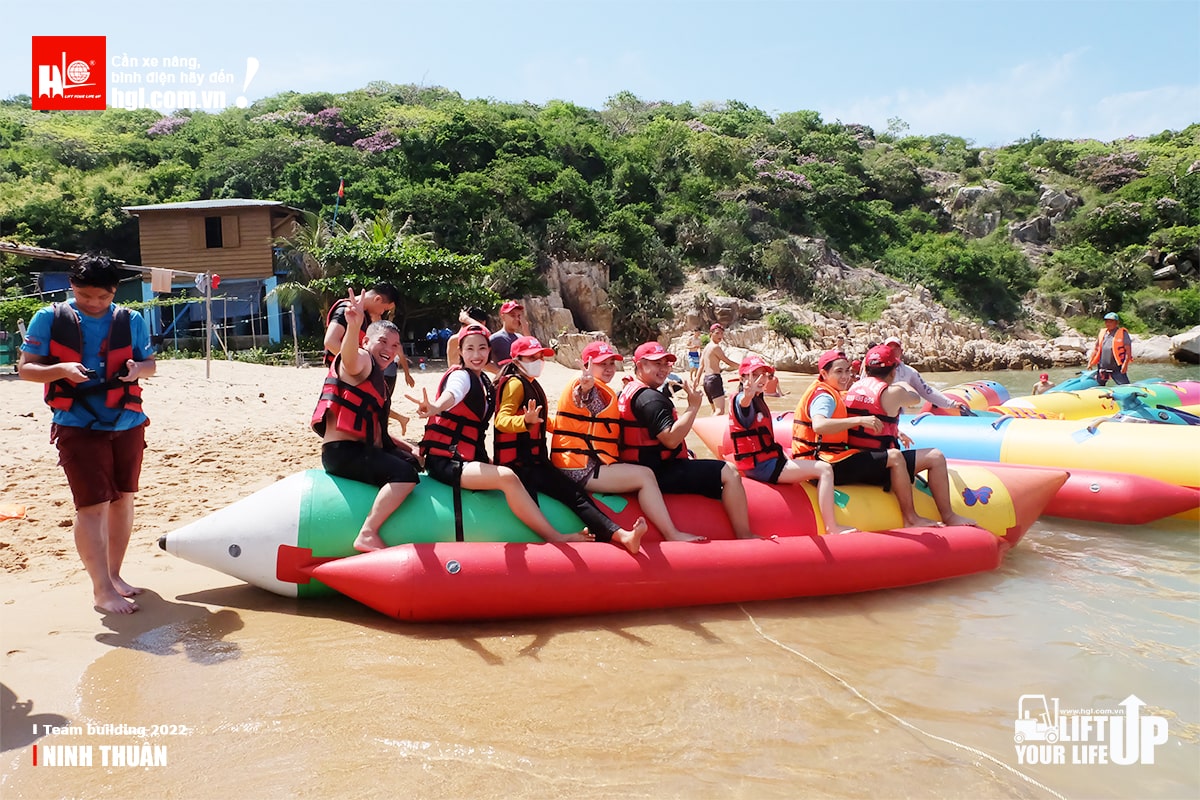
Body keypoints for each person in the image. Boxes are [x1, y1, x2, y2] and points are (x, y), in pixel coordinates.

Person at [18, 253, 156, 614]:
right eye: (84, 295)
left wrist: (136, 369)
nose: (94, 303)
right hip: (76, 423)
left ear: (115, 291)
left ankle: (115, 576)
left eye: (103, 297)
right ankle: (101, 590)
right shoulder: (49, 318)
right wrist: (61, 369)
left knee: (123, 498)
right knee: (92, 505)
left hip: (127, 421)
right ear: (72, 287)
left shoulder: (131, 319)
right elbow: (26, 369)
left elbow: (150, 365)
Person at [409, 324, 592, 544]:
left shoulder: (484, 381)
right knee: (507, 477)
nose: (476, 355)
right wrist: (436, 407)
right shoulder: (461, 377)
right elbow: (453, 394)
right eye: (470, 349)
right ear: (461, 352)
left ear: (489, 350)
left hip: (466, 457)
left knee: (505, 469)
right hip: (446, 461)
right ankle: (554, 536)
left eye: (482, 348)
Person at [493, 336, 648, 554]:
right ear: (517, 360)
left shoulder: (530, 383)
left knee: (575, 495)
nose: (538, 361)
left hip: (536, 461)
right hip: (520, 464)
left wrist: (566, 428)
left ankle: (619, 535)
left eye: (540, 357)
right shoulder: (515, 384)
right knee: (575, 497)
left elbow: (541, 422)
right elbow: (501, 420)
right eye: (531, 357)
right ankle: (616, 536)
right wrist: (524, 422)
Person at [550, 340, 704, 542]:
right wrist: (585, 387)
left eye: (611, 363)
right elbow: (582, 397)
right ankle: (672, 534)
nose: (608, 368)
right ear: (587, 365)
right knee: (645, 476)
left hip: (584, 461)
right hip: (580, 468)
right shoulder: (588, 388)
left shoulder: (603, 390)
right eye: (602, 364)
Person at [311, 290, 420, 553]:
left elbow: (377, 433)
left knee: (412, 461)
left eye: (394, 346)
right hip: (343, 453)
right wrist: (354, 325)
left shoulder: (377, 377)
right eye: (382, 342)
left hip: (360, 450)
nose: (388, 350)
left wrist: (411, 448)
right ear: (367, 341)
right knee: (405, 475)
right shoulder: (361, 360)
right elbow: (349, 358)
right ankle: (368, 533)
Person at [618, 341, 757, 539]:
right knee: (730, 472)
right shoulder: (650, 399)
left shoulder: (628, 391)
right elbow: (671, 440)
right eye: (657, 363)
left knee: (694, 456)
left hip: (636, 466)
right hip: (658, 472)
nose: (663, 369)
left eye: (666, 364)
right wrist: (693, 407)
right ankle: (745, 535)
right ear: (640, 365)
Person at [838, 345, 976, 528]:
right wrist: (902, 382)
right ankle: (943, 516)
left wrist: (896, 431)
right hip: (881, 467)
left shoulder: (853, 388)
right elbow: (915, 398)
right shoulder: (893, 392)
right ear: (893, 371)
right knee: (936, 457)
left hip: (857, 461)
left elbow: (872, 420)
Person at [730, 355, 855, 535]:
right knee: (824, 469)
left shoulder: (758, 398)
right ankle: (832, 527)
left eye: (763, 374)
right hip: (761, 467)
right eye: (754, 374)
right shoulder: (743, 400)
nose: (761, 379)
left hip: (763, 461)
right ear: (743, 378)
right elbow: (743, 405)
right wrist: (747, 397)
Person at [323, 282, 414, 393]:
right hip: (346, 375)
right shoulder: (347, 310)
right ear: (377, 299)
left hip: (356, 374)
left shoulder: (365, 316)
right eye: (384, 309)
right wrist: (358, 363)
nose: (382, 313)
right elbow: (330, 342)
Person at [881, 336, 971, 415]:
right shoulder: (876, 370)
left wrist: (952, 404)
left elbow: (927, 391)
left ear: (901, 351)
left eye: (896, 348)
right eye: (889, 348)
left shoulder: (910, 372)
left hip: (897, 419)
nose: (892, 351)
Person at [700, 323, 741, 415]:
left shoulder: (706, 347)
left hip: (706, 380)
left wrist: (696, 381)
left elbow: (701, 366)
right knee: (720, 410)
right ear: (711, 334)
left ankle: (708, 424)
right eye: (717, 333)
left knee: (714, 410)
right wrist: (743, 367)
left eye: (722, 333)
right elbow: (727, 361)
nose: (720, 336)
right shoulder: (715, 347)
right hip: (714, 379)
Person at [1088, 312, 1133, 386]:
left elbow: (1128, 351)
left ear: (1117, 323)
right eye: (1107, 321)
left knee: (1124, 385)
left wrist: (1125, 365)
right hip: (1103, 367)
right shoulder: (1103, 333)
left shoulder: (1122, 333)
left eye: (1111, 321)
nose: (1108, 323)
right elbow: (1096, 349)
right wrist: (1090, 362)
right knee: (1099, 385)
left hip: (1117, 368)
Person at [488, 300, 530, 366]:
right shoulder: (495, 339)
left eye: (519, 316)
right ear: (503, 317)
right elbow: (484, 362)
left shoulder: (521, 338)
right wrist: (500, 371)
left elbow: (532, 355)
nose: (517, 319)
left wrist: (525, 329)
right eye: (513, 315)